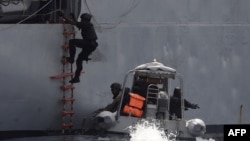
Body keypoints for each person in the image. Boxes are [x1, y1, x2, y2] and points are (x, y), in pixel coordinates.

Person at [60, 12, 98, 83]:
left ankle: (71, 58)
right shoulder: (88, 24)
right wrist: (74, 17)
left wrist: (63, 16)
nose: (82, 20)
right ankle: (76, 77)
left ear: (85, 19)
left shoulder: (86, 24)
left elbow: (73, 23)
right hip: (92, 45)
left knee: (72, 42)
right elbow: (78, 25)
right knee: (79, 60)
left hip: (88, 43)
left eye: (82, 19)